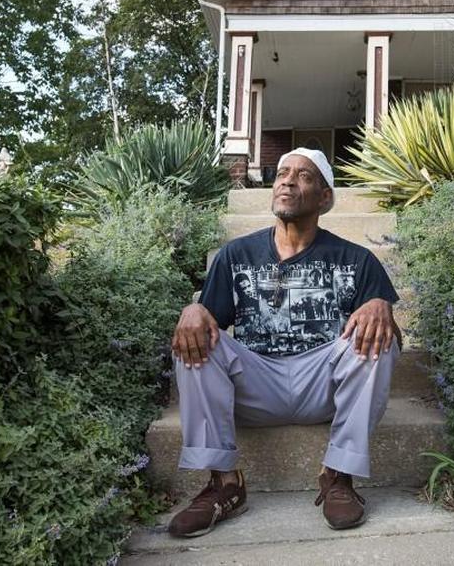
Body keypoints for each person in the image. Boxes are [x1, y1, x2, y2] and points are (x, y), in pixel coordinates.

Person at [167, 148, 401, 538]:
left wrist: (381, 305)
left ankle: (338, 476)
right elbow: (210, 328)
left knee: (379, 337)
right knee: (194, 335)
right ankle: (224, 483)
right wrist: (194, 310)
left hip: (323, 385)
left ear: (324, 197)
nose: (288, 181)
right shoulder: (235, 255)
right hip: (255, 385)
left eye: (303, 176)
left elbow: (389, 342)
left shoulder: (357, 260)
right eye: (282, 173)